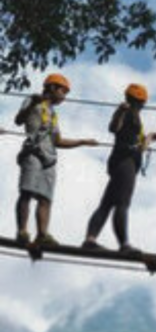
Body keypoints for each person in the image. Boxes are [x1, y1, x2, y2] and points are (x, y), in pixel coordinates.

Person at [13, 73, 98, 247]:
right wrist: (34, 104)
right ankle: (22, 230)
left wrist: (82, 142)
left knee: (45, 199)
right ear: (52, 88)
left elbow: (58, 141)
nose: (64, 96)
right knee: (27, 192)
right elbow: (18, 120)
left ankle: (42, 234)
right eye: (63, 91)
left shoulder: (53, 114)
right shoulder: (33, 101)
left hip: (49, 158)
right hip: (33, 152)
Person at [83, 83, 156, 253]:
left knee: (107, 203)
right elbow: (113, 128)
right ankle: (124, 244)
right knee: (122, 203)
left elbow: (140, 148)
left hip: (125, 161)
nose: (141, 106)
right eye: (140, 102)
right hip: (124, 162)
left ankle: (90, 239)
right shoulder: (126, 112)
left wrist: (149, 138)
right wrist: (119, 111)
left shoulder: (135, 119)